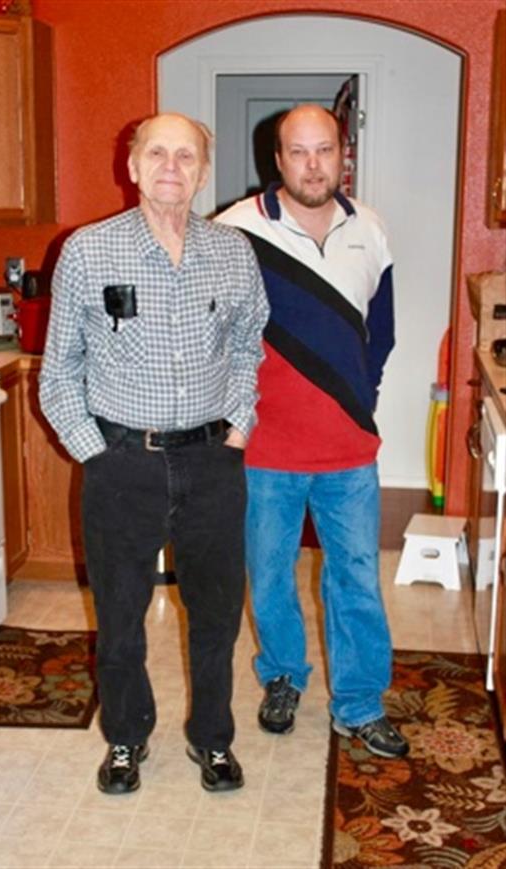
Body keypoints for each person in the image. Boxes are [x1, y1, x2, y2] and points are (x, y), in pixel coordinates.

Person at [39, 112, 269, 793]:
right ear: (132, 166)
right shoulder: (86, 251)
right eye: (158, 153)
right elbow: (58, 372)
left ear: (202, 171)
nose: (173, 166)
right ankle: (126, 737)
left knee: (218, 612)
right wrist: (96, 454)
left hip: (212, 463)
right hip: (121, 463)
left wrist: (238, 430)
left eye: (187, 155)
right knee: (118, 613)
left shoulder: (232, 252)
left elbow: (250, 346)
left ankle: (212, 738)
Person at [217, 104, 409, 759]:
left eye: (323, 149)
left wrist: (357, 398)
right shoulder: (235, 229)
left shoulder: (371, 229)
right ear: (276, 160)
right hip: (264, 448)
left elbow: (378, 334)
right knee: (268, 572)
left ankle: (358, 704)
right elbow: (212, 333)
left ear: (342, 152)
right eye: (297, 152)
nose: (312, 165)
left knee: (354, 576)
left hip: (348, 449)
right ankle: (281, 676)